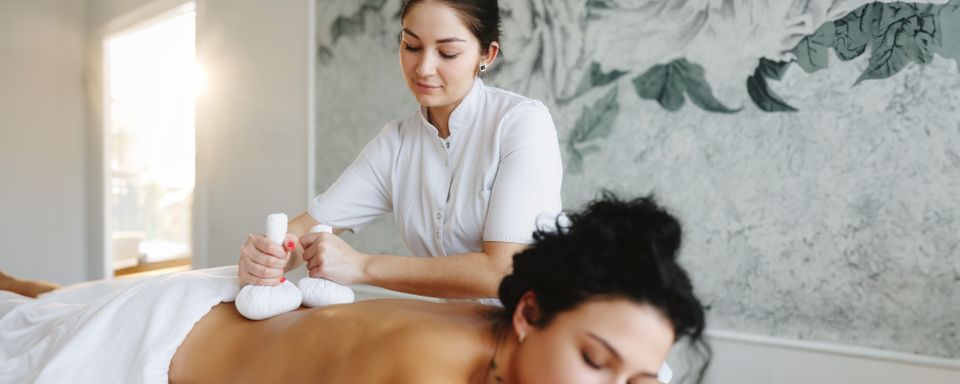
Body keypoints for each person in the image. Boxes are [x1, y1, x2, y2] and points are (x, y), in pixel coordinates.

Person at [1, 194, 709, 383]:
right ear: (528, 314)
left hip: (209, 303)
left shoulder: (510, 323)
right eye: (594, 362)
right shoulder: (428, 374)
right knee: (38, 324)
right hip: (156, 344)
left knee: (54, 302)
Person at [238, 0, 563, 299]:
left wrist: (362, 266)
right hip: (453, 336)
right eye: (411, 46)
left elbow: (503, 272)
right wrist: (272, 254)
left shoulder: (521, 123)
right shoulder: (396, 144)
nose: (423, 67)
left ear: (487, 55)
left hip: (535, 334)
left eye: (447, 53)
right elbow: (307, 226)